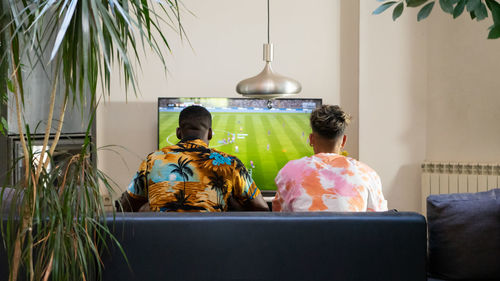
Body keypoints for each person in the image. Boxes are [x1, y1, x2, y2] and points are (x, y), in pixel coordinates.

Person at [118, 105, 269, 212]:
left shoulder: (153, 160)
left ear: (178, 133)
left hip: (162, 247)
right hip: (214, 245)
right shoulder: (230, 163)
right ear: (210, 134)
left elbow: (125, 207)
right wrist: (233, 205)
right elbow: (261, 209)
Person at [272, 105, 387, 212]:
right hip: (351, 233)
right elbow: (380, 222)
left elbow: (278, 219)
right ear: (343, 141)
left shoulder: (289, 172)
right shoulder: (368, 174)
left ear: (311, 139)